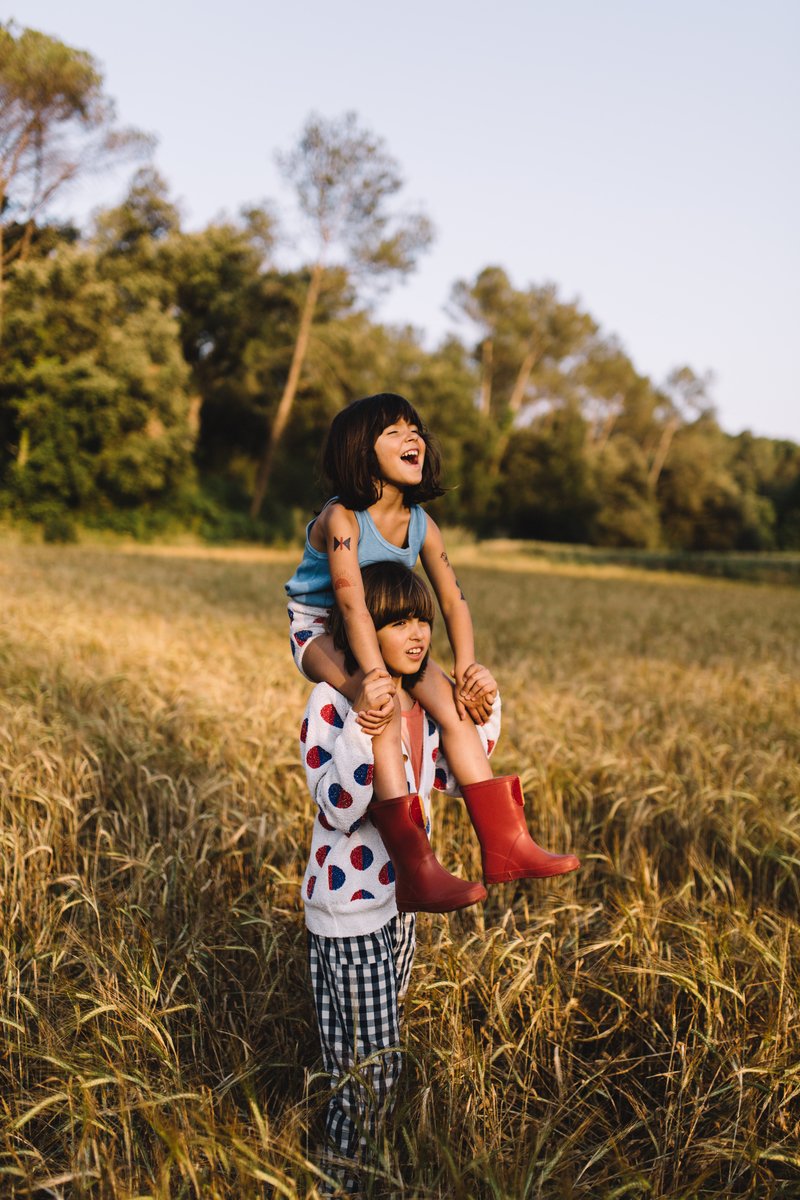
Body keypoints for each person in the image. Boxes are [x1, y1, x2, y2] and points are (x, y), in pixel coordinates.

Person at [286, 392, 580, 896]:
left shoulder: (422, 524)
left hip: (380, 626)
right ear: (360, 452)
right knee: (377, 702)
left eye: (415, 428)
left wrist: (465, 667)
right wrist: (375, 676)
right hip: (320, 628)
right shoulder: (342, 519)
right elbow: (350, 604)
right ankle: (416, 865)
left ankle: (506, 841)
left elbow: (453, 599)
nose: (413, 438)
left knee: (455, 707)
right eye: (394, 432)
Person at [301, 562, 500, 1195]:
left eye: (423, 619)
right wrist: (366, 727)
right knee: (373, 1073)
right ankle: (344, 1184)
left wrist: (484, 708)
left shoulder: (419, 698)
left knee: (363, 1062)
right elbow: (337, 805)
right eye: (396, 621)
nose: (417, 633)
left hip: (401, 907)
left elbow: (444, 777)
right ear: (360, 631)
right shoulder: (332, 702)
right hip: (350, 912)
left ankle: (347, 1174)